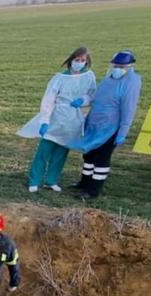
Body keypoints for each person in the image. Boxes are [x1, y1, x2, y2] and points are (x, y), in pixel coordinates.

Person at [18, 47, 97, 193]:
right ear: (71, 60)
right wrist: (45, 120)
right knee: (44, 150)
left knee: (61, 152)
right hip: (57, 115)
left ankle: (51, 180)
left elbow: (92, 94)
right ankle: (34, 180)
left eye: (83, 60)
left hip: (73, 119)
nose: (79, 63)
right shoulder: (60, 78)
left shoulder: (89, 76)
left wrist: (83, 100)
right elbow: (48, 99)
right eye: (77, 60)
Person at [71, 50, 143, 200]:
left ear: (129, 66)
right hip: (95, 123)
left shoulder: (131, 83)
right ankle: (84, 183)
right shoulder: (109, 78)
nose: (117, 68)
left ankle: (93, 190)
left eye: (121, 66)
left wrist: (122, 132)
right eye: (115, 65)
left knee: (101, 158)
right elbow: (96, 97)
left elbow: (128, 109)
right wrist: (83, 101)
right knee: (89, 155)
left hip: (111, 127)